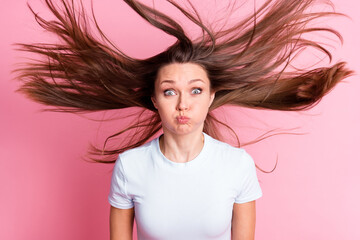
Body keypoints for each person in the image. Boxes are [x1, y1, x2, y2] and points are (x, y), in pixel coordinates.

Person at [14, 0, 352, 239]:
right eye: (170, 91)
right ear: (154, 100)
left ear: (211, 98)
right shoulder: (130, 166)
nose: (183, 105)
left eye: (195, 90)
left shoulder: (237, 165)